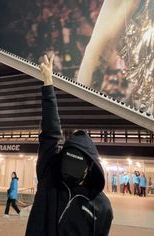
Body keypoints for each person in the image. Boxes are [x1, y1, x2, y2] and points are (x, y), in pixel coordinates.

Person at [26, 54, 113, 236]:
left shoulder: (101, 207)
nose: (69, 169)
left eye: (76, 163)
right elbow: (50, 133)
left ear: (89, 166)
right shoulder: (49, 176)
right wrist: (48, 82)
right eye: (67, 160)